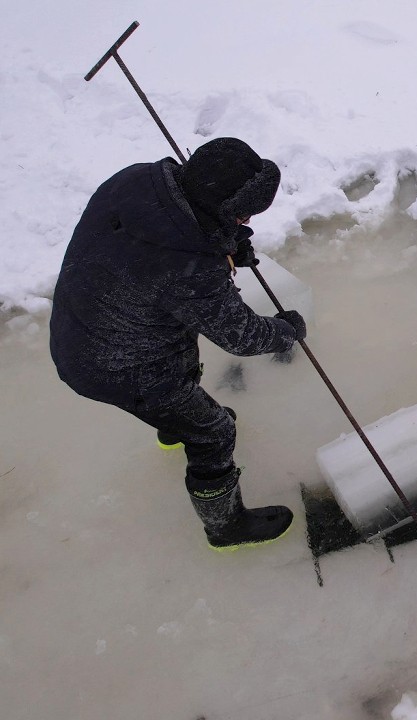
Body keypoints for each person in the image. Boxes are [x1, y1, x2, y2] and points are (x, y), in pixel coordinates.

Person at [50, 137, 307, 550]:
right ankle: (226, 528)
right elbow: (241, 336)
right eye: (242, 215)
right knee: (214, 434)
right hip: (115, 364)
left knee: (182, 359)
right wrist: (287, 331)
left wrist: (224, 238)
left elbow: (166, 243)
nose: (246, 221)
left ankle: (174, 426)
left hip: (81, 324)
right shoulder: (188, 270)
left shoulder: (136, 181)